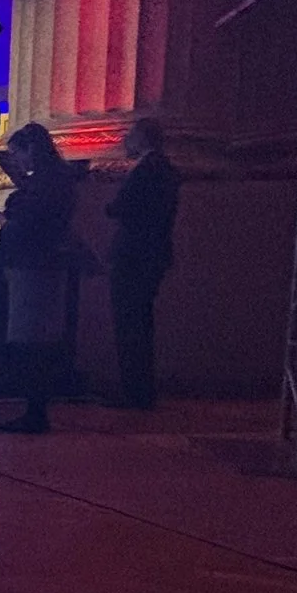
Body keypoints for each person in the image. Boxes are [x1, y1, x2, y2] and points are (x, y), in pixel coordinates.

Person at [0, 124, 79, 432]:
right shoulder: (56, 180)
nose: (18, 162)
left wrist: (2, 219)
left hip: (32, 268)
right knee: (36, 340)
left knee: (30, 341)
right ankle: (35, 411)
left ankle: (35, 413)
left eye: (19, 153)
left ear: (31, 149)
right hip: (39, 266)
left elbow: (30, 227)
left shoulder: (47, 185)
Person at [105, 116, 180, 409]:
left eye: (130, 135)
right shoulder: (166, 169)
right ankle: (141, 391)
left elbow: (119, 207)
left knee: (128, 326)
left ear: (142, 138)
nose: (125, 141)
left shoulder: (146, 170)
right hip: (153, 256)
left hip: (133, 257)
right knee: (141, 324)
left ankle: (133, 393)